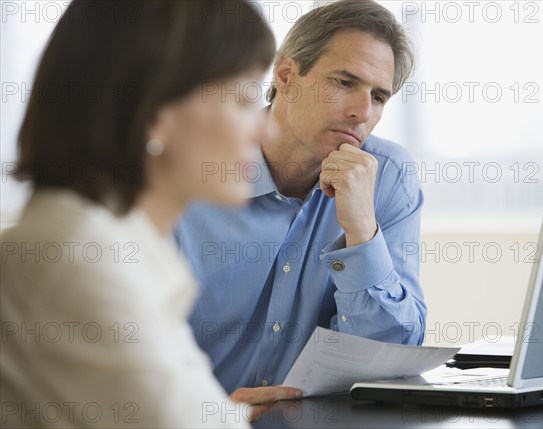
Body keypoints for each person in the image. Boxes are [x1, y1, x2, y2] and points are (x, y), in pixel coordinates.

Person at [0, 1, 301, 427]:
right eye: (243, 98)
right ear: (153, 111)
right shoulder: (78, 261)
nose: (265, 128)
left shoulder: (111, 244)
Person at [175, 0, 427, 393]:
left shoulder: (388, 177)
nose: (362, 112)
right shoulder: (187, 171)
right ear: (287, 75)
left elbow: (390, 360)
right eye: (344, 83)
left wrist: (362, 232)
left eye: (378, 97)